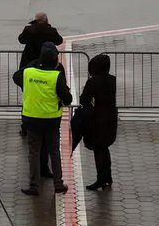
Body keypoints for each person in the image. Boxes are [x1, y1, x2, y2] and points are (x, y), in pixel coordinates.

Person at [14, 42, 72, 195]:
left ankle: (34, 185)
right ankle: (58, 184)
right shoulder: (56, 76)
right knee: (54, 151)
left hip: (32, 118)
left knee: (33, 152)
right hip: (51, 120)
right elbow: (68, 99)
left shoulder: (28, 72)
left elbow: (16, 77)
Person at [75, 53, 117, 191]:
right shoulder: (112, 80)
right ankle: (107, 177)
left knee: (98, 148)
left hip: (97, 117)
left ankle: (101, 179)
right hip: (110, 116)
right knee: (105, 148)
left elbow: (84, 99)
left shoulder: (93, 81)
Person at [17, 13, 63, 137]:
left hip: (29, 66)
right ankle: (46, 122)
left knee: (28, 97)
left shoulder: (29, 30)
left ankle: (25, 126)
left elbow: (21, 39)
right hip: (47, 66)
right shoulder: (51, 31)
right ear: (46, 20)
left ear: (36, 21)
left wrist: (32, 26)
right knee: (47, 95)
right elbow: (59, 40)